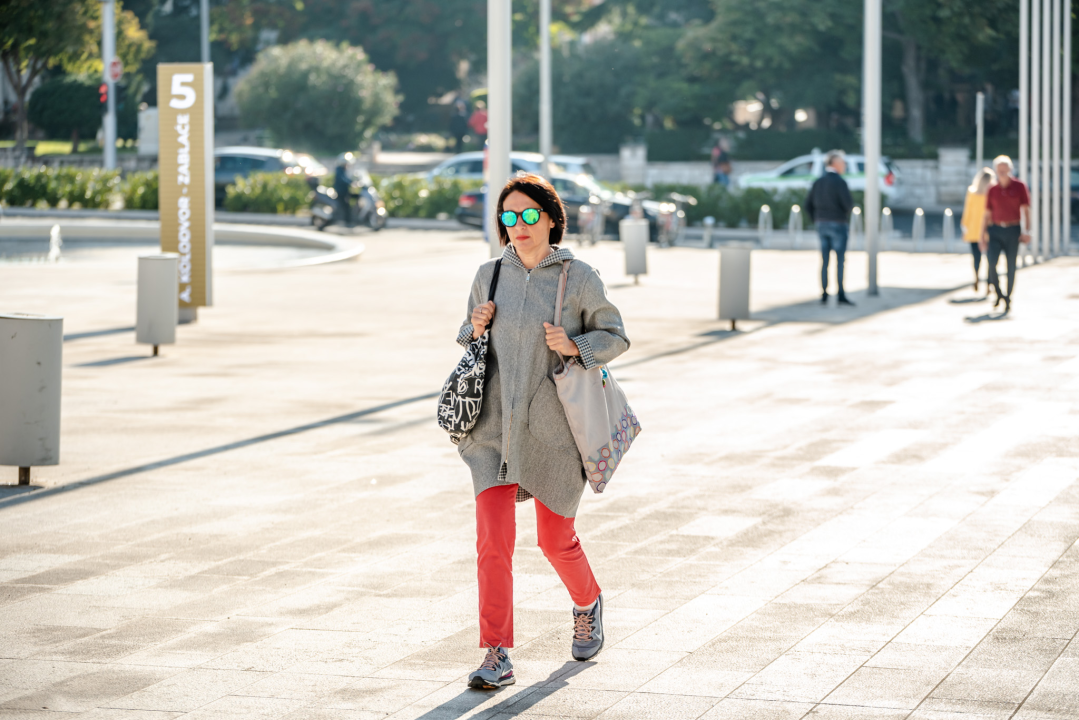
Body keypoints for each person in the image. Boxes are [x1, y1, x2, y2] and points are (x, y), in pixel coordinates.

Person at [455, 174, 629, 689]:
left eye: (530, 215)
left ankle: (586, 602)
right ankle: (496, 653)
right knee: (492, 541)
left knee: (555, 540)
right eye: (509, 217)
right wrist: (474, 326)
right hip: (492, 429)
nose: (520, 226)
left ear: (552, 218)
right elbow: (467, 341)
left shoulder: (576, 276)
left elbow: (616, 334)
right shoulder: (489, 275)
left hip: (555, 431)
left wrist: (576, 345)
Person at [980, 155, 1031, 313]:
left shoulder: (1019, 186)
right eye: (999, 168)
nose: (1002, 171)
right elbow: (986, 214)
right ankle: (999, 293)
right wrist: (981, 236)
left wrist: (1027, 231)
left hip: (1013, 230)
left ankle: (1008, 297)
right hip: (995, 230)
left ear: (1010, 168)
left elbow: (1026, 211)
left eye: (1004, 168)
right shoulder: (992, 189)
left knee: (1010, 266)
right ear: (996, 170)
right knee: (992, 264)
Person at [805, 150, 855, 306]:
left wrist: (817, 219)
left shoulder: (818, 181)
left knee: (824, 261)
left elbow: (808, 205)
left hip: (821, 223)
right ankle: (840, 295)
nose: (844, 165)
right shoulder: (840, 182)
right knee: (840, 261)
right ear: (835, 164)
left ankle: (824, 294)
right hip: (838, 224)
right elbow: (848, 204)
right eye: (843, 162)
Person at [960, 168, 995, 294]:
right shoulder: (991, 193)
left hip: (974, 229)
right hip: (989, 230)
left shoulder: (972, 192)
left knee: (976, 258)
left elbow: (967, 212)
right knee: (990, 258)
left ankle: (976, 277)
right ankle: (989, 284)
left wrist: (965, 228)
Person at [333, 152, 355, 226]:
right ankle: (347, 222)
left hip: (344, 191)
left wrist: (353, 181)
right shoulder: (339, 170)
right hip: (340, 191)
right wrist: (350, 183)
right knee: (346, 206)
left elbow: (346, 179)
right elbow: (342, 179)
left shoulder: (342, 170)